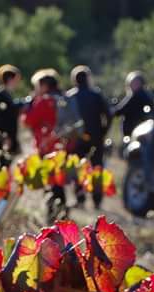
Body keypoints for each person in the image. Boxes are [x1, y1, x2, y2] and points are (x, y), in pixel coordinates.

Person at [22, 68, 67, 219]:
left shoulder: (43, 101)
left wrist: (28, 107)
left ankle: (53, 215)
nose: (36, 89)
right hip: (63, 146)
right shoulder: (62, 99)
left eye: (37, 86)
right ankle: (62, 213)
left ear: (44, 86)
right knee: (59, 181)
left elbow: (28, 121)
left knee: (50, 181)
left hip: (46, 147)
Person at [65, 65, 111, 208]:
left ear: (74, 80)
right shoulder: (96, 95)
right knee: (97, 167)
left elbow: (65, 119)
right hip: (96, 137)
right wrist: (103, 132)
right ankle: (97, 200)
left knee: (78, 168)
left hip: (77, 138)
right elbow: (108, 115)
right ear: (88, 78)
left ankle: (80, 198)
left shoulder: (70, 96)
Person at [0, 64, 23, 170]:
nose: (18, 82)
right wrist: (5, 137)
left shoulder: (5, 94)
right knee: (4, 166)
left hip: (6, 135)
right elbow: (0, 118)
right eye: (16, 79)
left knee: (6, 165)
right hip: (4, 136)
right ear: (10, 79)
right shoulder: (1, 96)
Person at [113, 71, 154, 144]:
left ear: (140, 83)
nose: (131, 85)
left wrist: (112, 109)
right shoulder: (148, 95)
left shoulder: (135, 96)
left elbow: (119, 111)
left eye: (134, 82)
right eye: (131, 82)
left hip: (134, 132)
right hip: (144, 131)